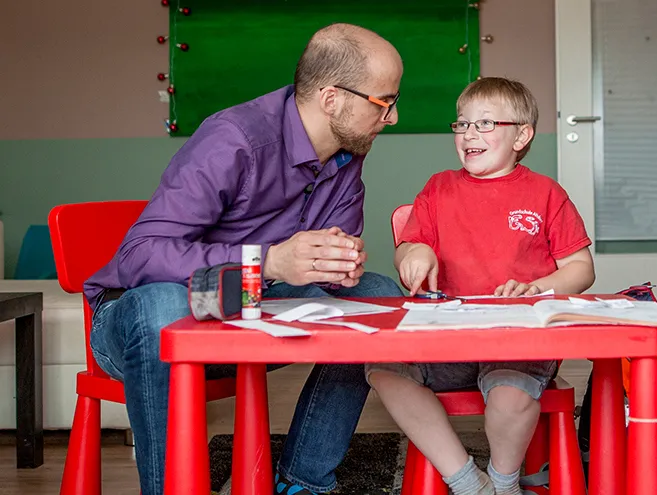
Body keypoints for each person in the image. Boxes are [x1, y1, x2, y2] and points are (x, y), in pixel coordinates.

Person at [82, 23, 405, 495]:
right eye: (385, 102)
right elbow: (139, 256)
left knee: (378, 294)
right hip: (142, 320)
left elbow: (328, 278)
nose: (392, 117)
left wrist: (337, 265)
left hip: (251, 305)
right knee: (162, 306)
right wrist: (270, 261)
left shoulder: (346, 154)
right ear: (332, 98)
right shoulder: (233, 138)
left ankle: (303, 481)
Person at [365, 77, 596, 495]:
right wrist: (412, 254)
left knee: (510, 396)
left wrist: (539, 286)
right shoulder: (438, 188)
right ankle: (468, 481)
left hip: (518, 341)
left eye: (485, 124)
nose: (470, 133)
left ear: (521, 135)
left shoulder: (546, 194)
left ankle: (505, 482)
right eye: (462, 124)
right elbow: (409, 248)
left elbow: (580, 268)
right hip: (445, 341)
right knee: (384, 372)